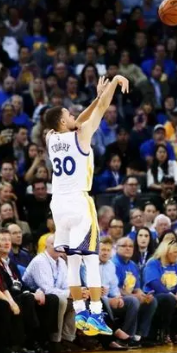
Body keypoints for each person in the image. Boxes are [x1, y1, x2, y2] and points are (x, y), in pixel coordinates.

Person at [44, 74, 129, 337]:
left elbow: (79, 120)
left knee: (72, 261)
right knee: (91, 260)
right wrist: (113, 83)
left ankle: (80, 311)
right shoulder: (81, 137)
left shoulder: (50, 136)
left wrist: (95, 96)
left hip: (58, 204)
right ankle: (95, 312)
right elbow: (101, 111)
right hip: (79, 202)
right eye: (69, 114)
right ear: (62, 121)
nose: (74, 117)